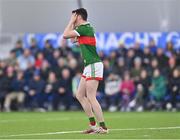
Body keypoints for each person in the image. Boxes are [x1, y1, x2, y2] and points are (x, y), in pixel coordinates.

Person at [63, 8, 108, 134]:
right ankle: (93, 125)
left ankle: (103, 127)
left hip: (93, 64)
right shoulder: (84, 29)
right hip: (89, 65)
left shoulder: (84, 28)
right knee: (80, 95)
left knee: (91, 96)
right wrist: (73, 22)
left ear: (78, 16)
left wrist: (70, 21)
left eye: (73, 16)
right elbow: (71, 40)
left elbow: (65, 35)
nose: (72, 18)